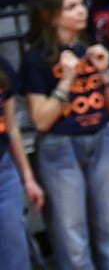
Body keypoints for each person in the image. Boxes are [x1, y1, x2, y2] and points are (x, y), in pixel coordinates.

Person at [21, 0, 109, 270]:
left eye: (81, 4)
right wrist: (66, 80)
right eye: (71, 6)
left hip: (102, 137)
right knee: (72, 236)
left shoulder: (88, 49)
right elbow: (41, 120)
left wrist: (104, 73)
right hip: (60, 146)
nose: (82, 11)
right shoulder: (36, 59)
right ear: (51, 16)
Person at [1, 56, 45, 270]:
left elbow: (11, 129)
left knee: (15, 254)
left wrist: (28, 178)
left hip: (4, 173)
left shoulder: (2, 66)